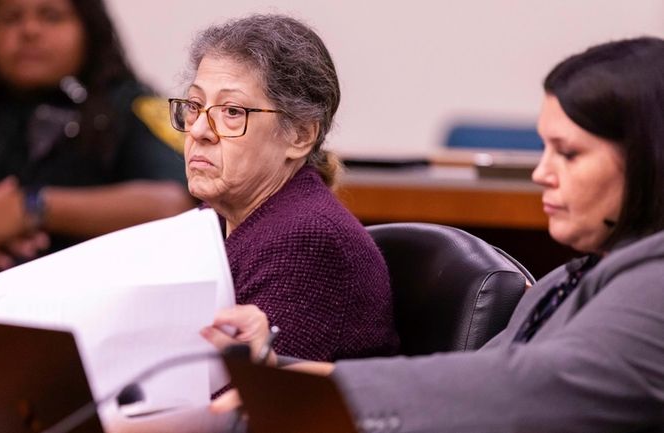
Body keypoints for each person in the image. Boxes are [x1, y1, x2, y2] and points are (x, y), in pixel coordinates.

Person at [203, 37, 664, 432]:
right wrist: (269, 374)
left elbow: (523, 387)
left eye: (569, 153)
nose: (542, 173)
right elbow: (475, 378)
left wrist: (284, 395)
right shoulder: (566, 279)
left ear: (649, 157)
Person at [0, 0, 193, 405]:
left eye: (50, 15)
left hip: (69, 360)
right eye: (12, 18)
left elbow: (174, 203)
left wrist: (32, 208)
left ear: (89, 28)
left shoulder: (128, 108)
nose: (29, 30)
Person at [172, 14, 399, 365]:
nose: (199, 129)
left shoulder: (308, 239)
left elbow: (246, 406)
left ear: (300, 135)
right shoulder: (209, 222)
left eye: (231, 111)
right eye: (194, 106)